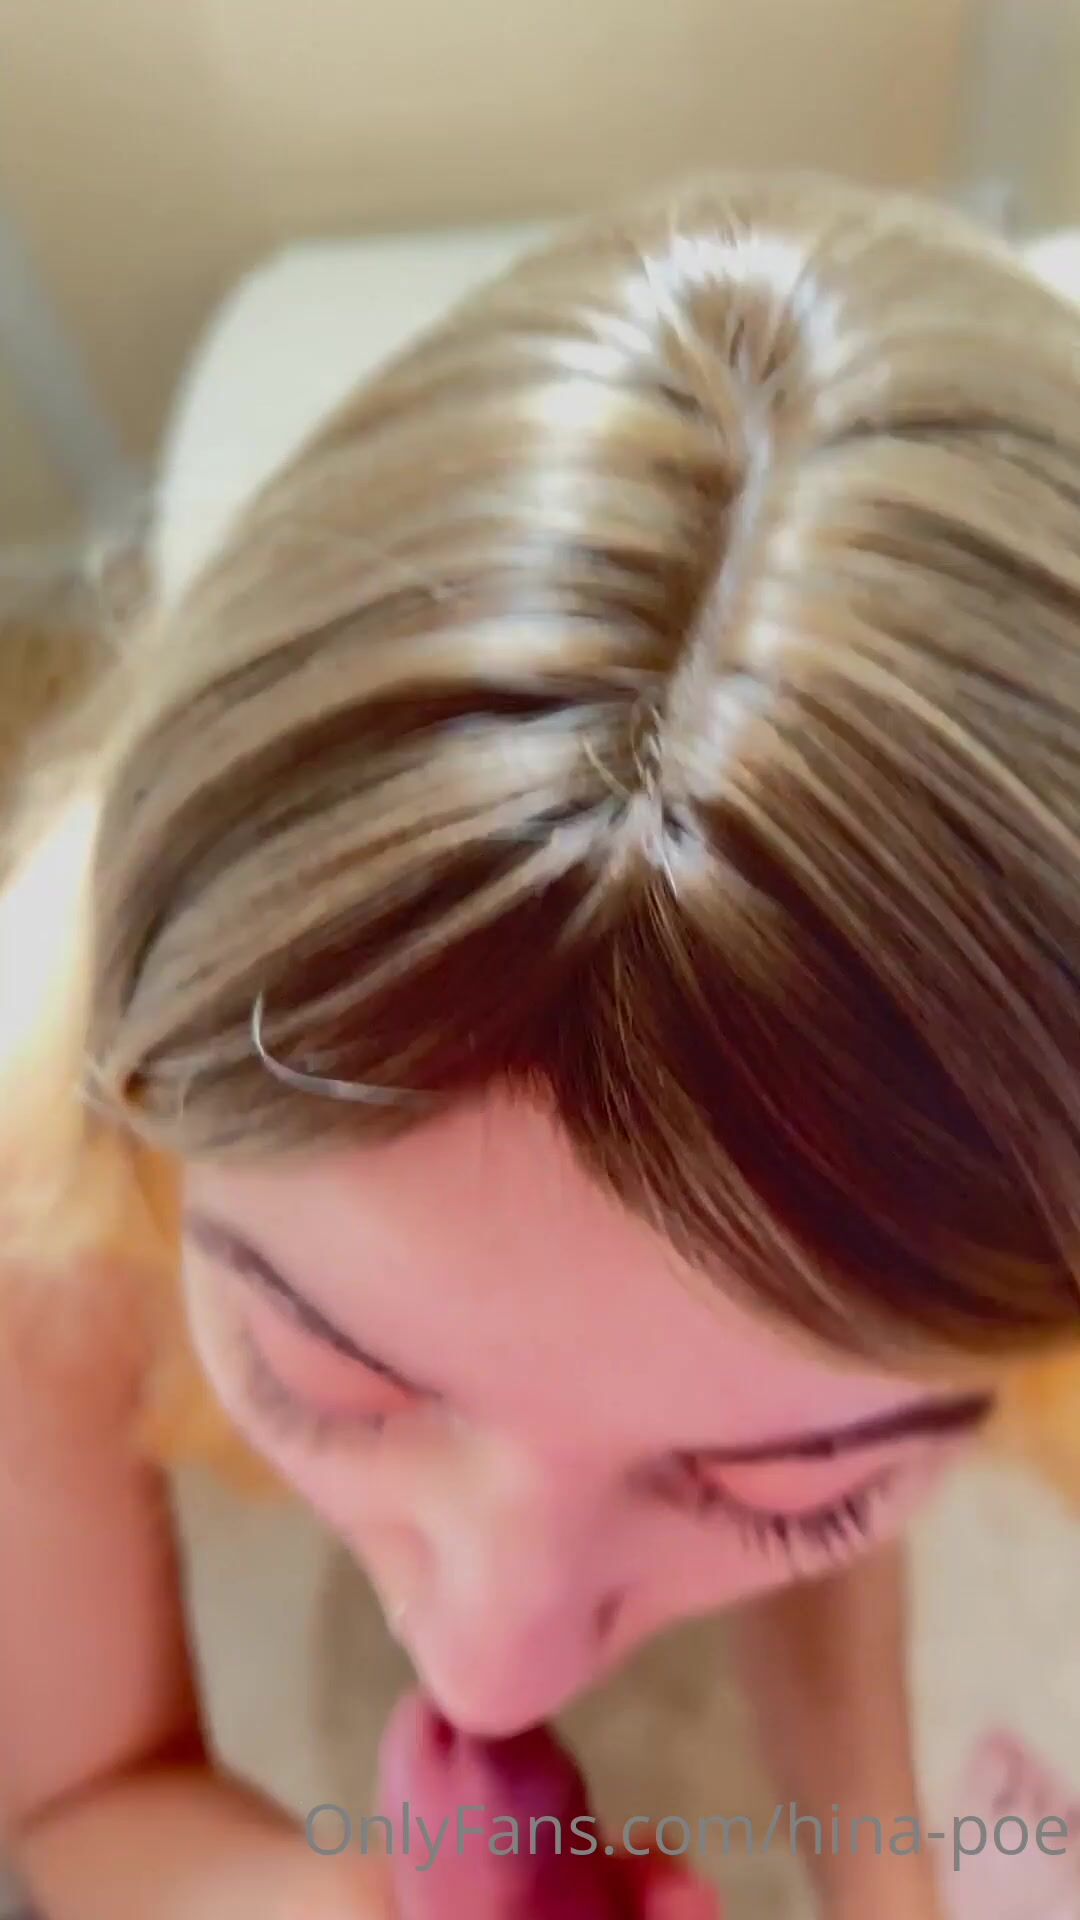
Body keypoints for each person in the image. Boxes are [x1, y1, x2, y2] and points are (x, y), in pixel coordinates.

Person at [2, 169, 1080, 1920]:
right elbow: (79, 1788)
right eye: (324, 1379)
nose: (492, 1663)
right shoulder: (36, 1144)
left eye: (793, 1498)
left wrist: (894, 1896)